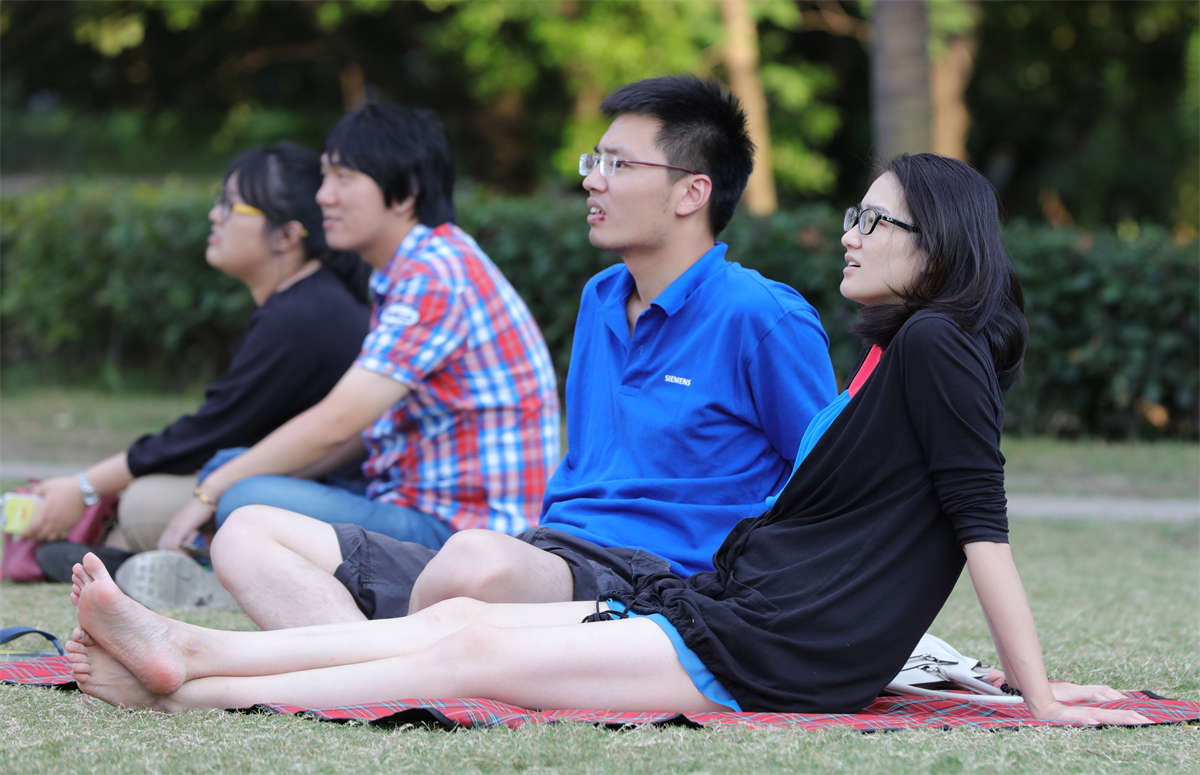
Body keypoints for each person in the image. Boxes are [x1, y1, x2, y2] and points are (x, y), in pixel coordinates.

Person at [65, 153, 1150, 725]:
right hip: (735, 609)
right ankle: (186, 658)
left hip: (774, 650)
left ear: (941, 242)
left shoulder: (938, 350)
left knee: (471, 648)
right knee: (464, 631)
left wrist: (1039, 697)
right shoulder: (902, 352)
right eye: (855, 215)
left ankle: (191, 662)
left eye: (877, 222)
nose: (850, 236)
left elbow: (981, 528)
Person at [209, 75, 837, 628]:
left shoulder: (761, 316)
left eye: (618, 165)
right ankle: (380, 663)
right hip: (548, 556)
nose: (591, 179)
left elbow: (830, 480)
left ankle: (374, 657)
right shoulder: (602, 298)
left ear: (691, 192)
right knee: (248, 533)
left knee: (474, 564)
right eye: (596, 160)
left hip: (659, 586)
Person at [154, 103, 560, 559]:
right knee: (235, 472)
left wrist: (213, 493)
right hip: (414, 506)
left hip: (466, 538)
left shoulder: (433, 276)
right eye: (325, 177)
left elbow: (337, 422)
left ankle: (219, 569)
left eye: (343, 178)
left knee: (241, 496)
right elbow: (355, 433)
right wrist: (227, 479)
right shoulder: (414, 267)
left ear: (404, 194)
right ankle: (223, 562)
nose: (324, 196)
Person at [24, 142, 372, 581]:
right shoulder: (302, 303)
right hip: (295, 483)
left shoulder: (305, 315)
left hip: (332, 497)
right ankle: (132, 564)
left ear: (286, 236)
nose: (215, 216)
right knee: (146, 498)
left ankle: (188, 570)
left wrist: (86, 486)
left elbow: (210, 431)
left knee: (145, 504)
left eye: (233, 206)